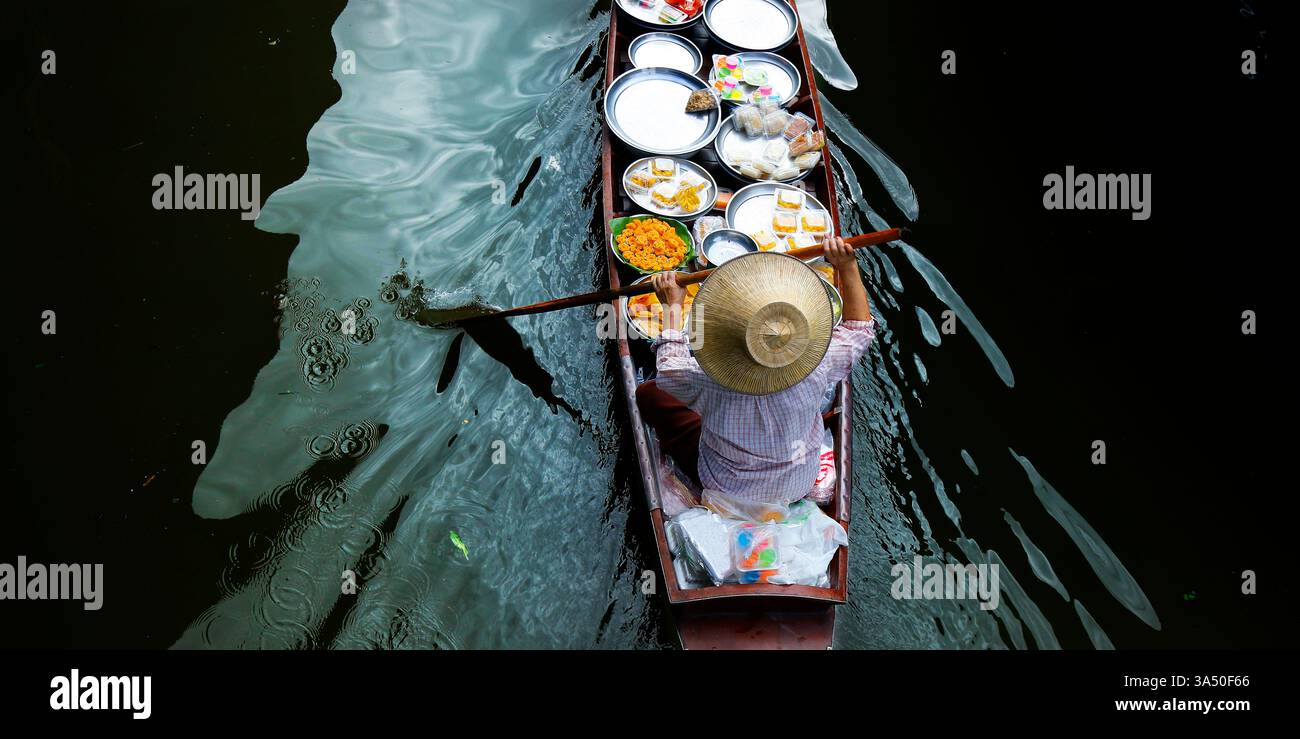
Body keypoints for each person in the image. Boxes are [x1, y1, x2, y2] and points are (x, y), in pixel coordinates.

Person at [635, 236, 877, 507]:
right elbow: (859, 328)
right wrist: (847, 266)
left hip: (727, 489)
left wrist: (672, 306)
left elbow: (668, 369)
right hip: (797, 484)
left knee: (649, 392)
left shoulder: (711, 381)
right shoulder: (819, 365)